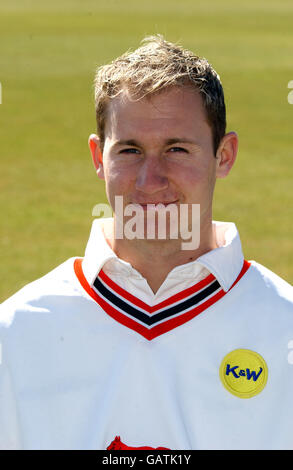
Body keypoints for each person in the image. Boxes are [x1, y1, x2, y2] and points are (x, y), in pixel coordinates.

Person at [0, 35, 292, 451]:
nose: (150, 180)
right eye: (131, 150)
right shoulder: (14, 335)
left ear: (223, 155)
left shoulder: (285, 331)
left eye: (177, 148)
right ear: (99, 158)